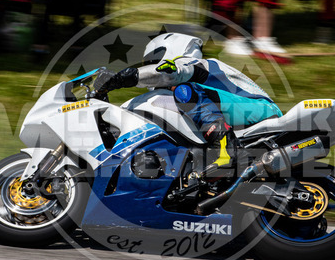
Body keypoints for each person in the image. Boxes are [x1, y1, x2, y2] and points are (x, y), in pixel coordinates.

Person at [94, 33, 283, 175]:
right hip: (244, 113)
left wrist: (124, 78)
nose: (150, 67)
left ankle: (226, 150)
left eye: (152, 61)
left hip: (260, 110)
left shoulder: (191, 64)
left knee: (184, 90)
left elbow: (169, 73)